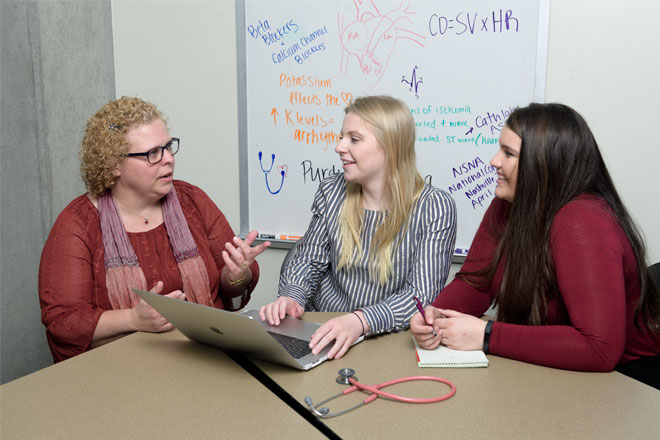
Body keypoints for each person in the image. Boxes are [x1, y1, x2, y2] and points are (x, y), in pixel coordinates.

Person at [411, 103, 660, 389]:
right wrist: (435, 315)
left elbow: (600, 350)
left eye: (508, 154)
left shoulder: (584, 222)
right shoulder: (506, 205)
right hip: (555, 366)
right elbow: (476, 283)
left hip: (629, 380)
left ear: (543, 164)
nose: (494, 161)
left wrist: (488, 334)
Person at [39, 97, 270, 362]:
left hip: (205, 359)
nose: (169, 159)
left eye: (168, 147)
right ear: (113, 166)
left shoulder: (192, 201)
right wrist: (133, 319)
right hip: (122, 373)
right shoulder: (77, 225)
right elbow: (63, 324)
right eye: (152, 154)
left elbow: (229, 293)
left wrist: (235, 274)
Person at [260, 95, 457, 360]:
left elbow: (419, 296)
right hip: (323, 330)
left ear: (391, 145)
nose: (339, 147)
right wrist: (292, 297)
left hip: (388, 340)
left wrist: (360, 321)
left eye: (354, 139)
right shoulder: (332, 190)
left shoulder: (434, 207)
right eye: (342, 136)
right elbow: (308, 259)